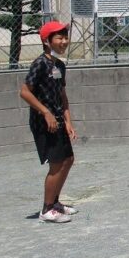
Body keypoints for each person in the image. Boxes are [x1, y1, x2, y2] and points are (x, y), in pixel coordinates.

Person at [20, 21, 78, 224]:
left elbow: (62, 96)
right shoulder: (40, 64)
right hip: (44, 123)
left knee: (68, 160)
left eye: (65, 37)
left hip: (59, 121)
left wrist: (68, 121)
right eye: (59, 38)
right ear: (47, 41)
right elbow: (24, 92)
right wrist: (45, 112)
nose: (64, 41)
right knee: (56, 164)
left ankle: (55, 203)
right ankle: (46, 210)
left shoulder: (59, 65)